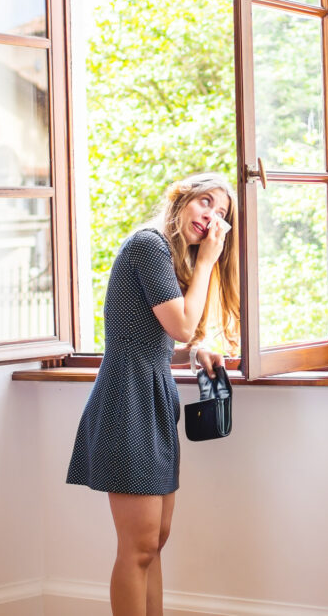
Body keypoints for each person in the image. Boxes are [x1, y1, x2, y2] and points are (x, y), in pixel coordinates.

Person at [66, 173, 239, 616]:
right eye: (205, 203)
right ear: (180, 200)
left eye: (221, 213)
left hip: (153, 397)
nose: (211, 217)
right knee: (138, 546)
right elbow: (180, 323)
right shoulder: (148, 245)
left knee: (155, 543)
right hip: (127, 399)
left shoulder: (165, 256)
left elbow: (161, 337)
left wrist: (196, 351)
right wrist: (206, 264)